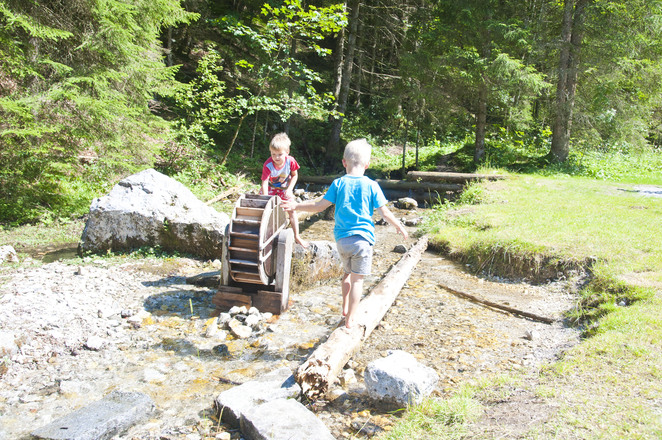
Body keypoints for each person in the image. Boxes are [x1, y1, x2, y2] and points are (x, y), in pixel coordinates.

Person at [282, 138, 409, 329]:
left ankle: (343, 307)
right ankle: (350, 318)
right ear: (367, 164)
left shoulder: (338, 183)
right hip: (363, 241)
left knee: (346, 275)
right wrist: (398, 224)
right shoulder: (372, 185)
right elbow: (385, 212)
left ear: (344, 162)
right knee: (358, 280)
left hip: (342, 241)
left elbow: (319, 206)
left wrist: (296, 205)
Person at [260, 132, 308, 247]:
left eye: (280, 154)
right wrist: (266, 197)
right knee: (263, 207)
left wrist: (290, 189)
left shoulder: (290, 161)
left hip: (284, 188)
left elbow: (295, 175)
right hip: (270, 188)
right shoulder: (268, 165)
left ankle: (297, 236)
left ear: (287, 152)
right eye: (273, 154)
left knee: (292, 209)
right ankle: (262, 233)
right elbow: (265, 182)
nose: (276, 157)